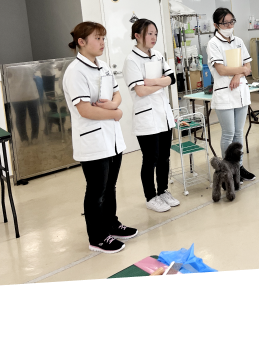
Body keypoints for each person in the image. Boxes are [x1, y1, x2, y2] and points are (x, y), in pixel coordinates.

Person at [63, 22, 142, 253]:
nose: (102, 43)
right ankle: (97, 237)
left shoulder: (104, 66)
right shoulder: (75, 71)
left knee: (111, 187)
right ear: (81, 42)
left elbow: (117, 93)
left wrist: (114, 106)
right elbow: (85, 109)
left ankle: (110, 224)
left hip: (112, 138)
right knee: (96, 190)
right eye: (97, 38)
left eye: (103, 39)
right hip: (93, 141)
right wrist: (116, 112)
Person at [124, 18, 182, 213]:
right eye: (150, 33)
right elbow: (139, 91)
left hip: (163, 114)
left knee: (165, 156)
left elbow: (172, 78)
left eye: (155, 34)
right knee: (151, 158)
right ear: (137, 35)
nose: (154, 37)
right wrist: (160, 83)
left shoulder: (157, 55)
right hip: (146, 117)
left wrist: (151, 82)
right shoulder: (131, 60)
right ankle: (150, 196)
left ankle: (163, 190)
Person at [201, 8, 259, 184]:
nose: (229, 26)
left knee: (239, 133)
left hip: (240, 90)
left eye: (231, 22)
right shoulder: (213, 44)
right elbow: (221, 69)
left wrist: (237, 75)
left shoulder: (238, 41)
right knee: (228, 133)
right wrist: (241, 70)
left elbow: (248, 66)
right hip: (224, 93)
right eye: (225, 23)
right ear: (216, 25)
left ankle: (238, 168)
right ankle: (227, 172)